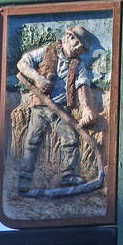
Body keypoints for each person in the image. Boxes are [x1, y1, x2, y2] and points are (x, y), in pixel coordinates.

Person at [16, 26, 98, 193]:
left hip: (60, 110)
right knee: (32, 141)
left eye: (82, 47)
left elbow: (82, 86)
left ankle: (67, 176)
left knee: (70, 140)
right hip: (41, 107)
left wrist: (87, 109)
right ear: (68, 37)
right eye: (77, 43)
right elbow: (22, 63)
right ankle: (24, 180)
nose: (79, 48)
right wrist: (38, 78)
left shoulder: (78, 65)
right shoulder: (47, 52)